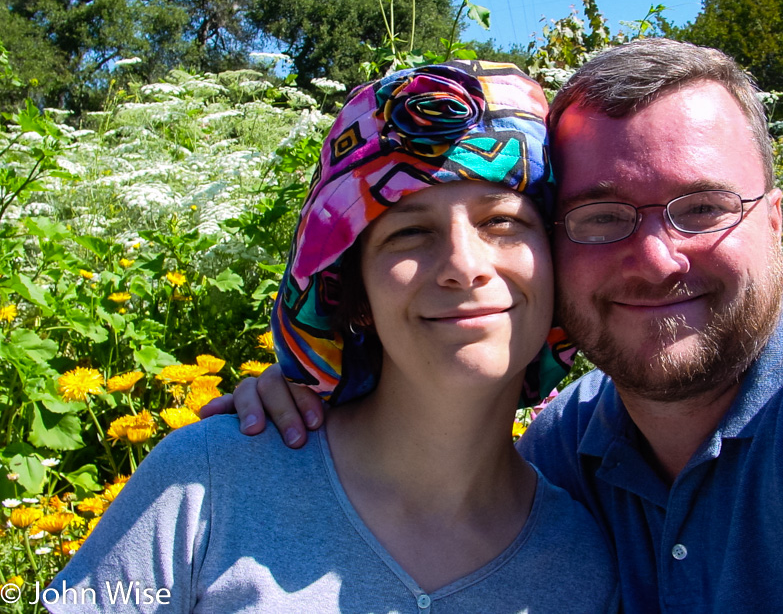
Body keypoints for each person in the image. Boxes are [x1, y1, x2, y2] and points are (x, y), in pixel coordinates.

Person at [214, 38, 783, 613]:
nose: (657, 260)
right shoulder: (568, 453)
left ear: (776, 220)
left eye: (702, 209)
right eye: (602, 218)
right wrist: (301, 399)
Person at [47, 61, 619, 612]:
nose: (462, 265)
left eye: (502, 222)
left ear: (556, 267)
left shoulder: (586, 563)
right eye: (409, 231)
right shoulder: (207, 483)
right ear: (357, 295)